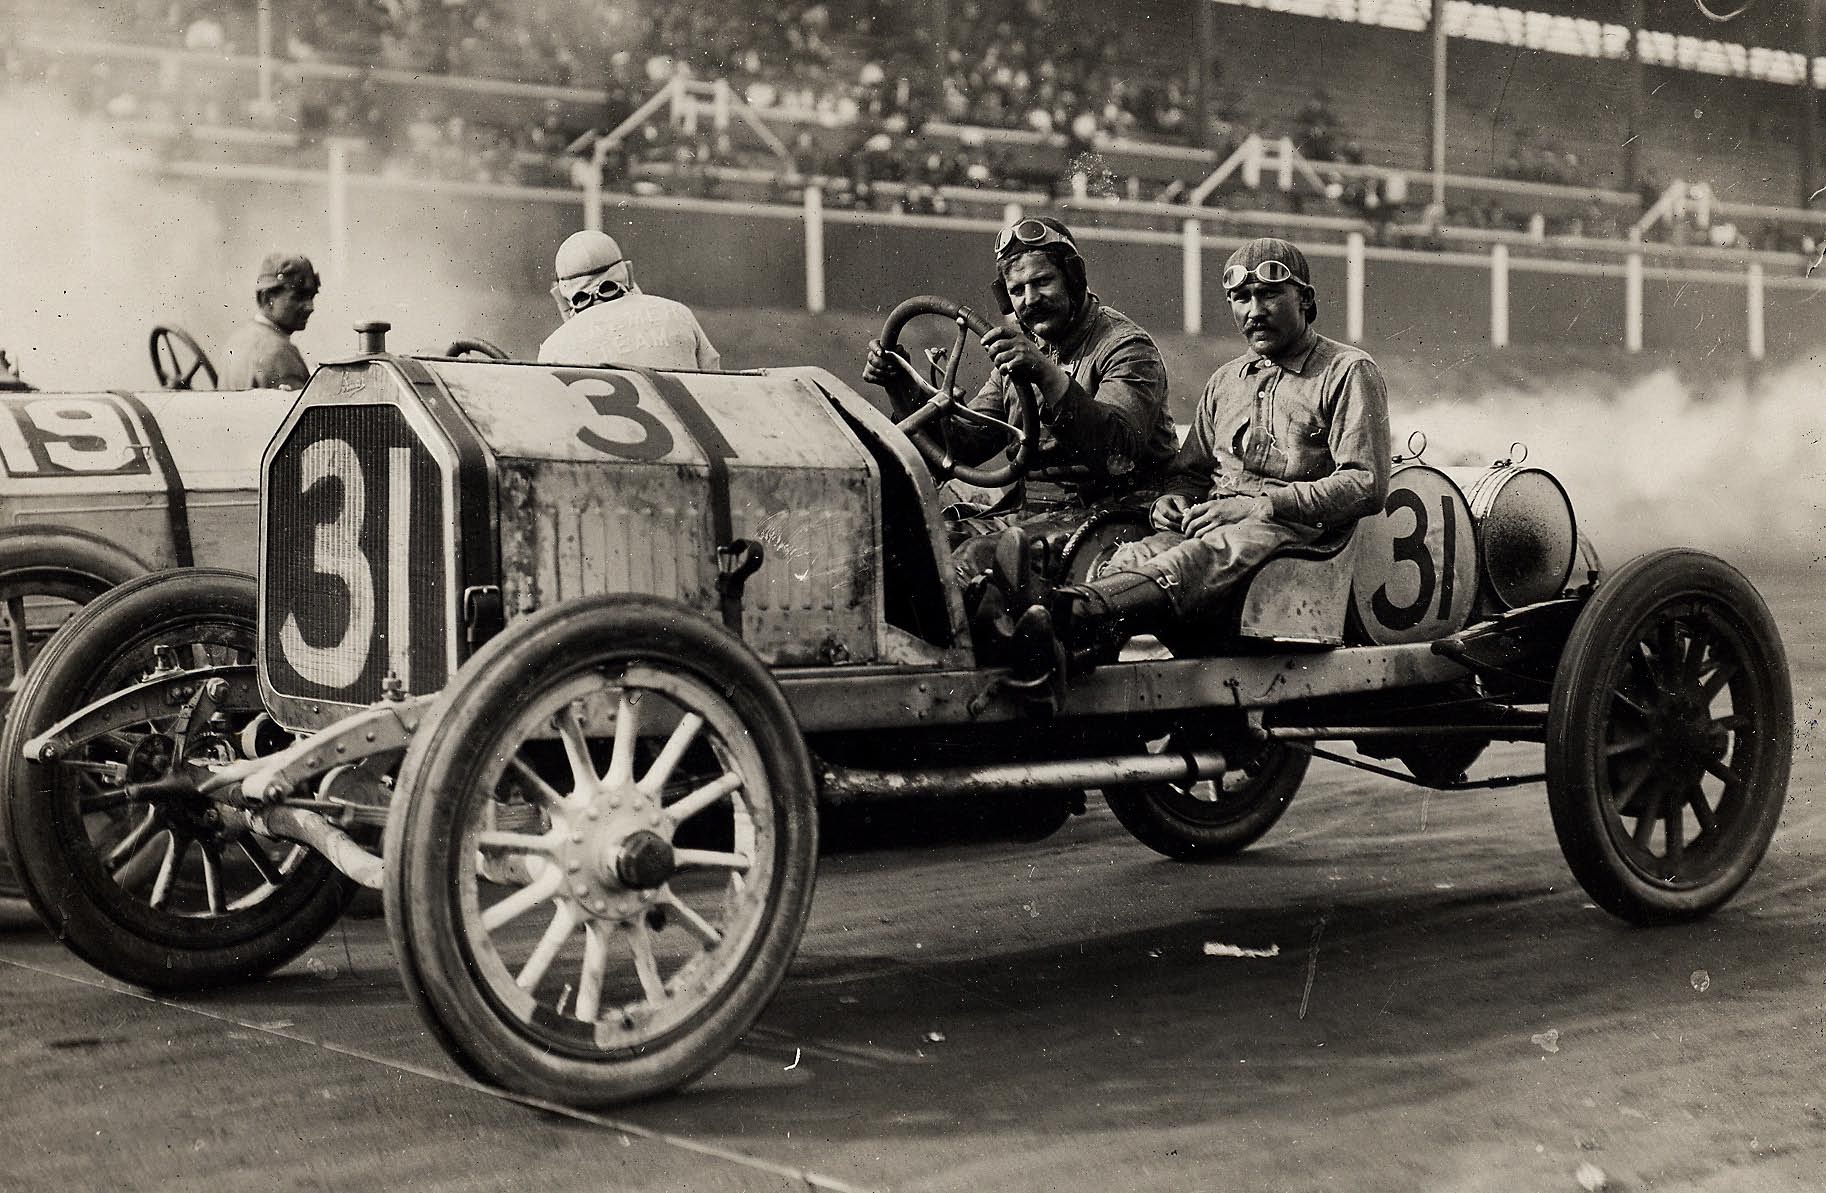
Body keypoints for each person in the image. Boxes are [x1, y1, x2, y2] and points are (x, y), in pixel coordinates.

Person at [1022, 236, 1391, 671]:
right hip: (1218, 530)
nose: (1255, 311)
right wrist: (1171, 500)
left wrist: (1260, 505)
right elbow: (1191, 473)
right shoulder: (1225, 382)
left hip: (1292, 536)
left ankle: (1060, 619)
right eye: (1242, 298)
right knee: (1129, 557)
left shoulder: (1348, 370)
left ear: (1305, 300)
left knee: (1191, 559)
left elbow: (1366, 483)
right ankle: (1063, 646)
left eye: (1269, 295)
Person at [862, 215, 1176, 535]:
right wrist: (903, 387)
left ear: (1074, 279)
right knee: (919, 542)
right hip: (1034, 515)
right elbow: (965, 446)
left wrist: (1046, 375)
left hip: (1115, 515)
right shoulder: (1023, 355)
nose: (1031, 299)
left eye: (1042, 281)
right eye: (1017, 290)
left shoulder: (1126, 348)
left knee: (972, 559)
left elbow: (1118, 453)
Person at [537, 230, 721, 371]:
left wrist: (572, 325)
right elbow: (714, 378)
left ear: (559, 293)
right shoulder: (678, 313)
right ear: (628, 271)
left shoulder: (554, 349)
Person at [220, 254, 319, 391]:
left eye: (311, 297)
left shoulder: (238, 339)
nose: (310, 307)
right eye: (298, 297)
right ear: (267, 299)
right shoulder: (279, 352)